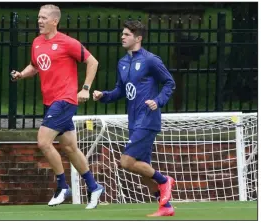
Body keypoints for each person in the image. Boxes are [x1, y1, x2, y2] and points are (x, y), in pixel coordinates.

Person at [11, 4, 104, 209]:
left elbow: (93, 62)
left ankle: (62, 186)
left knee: (43, 142)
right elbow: (35, 66)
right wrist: (21, 74)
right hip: (49, 101)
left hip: (65, 100)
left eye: (44, 18)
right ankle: (94, 186)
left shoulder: (67, 42)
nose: (40, 21)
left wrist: (85, 88)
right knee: (70, 148)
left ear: (55, 21)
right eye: (38, 18)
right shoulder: (36, 42)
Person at [93, 20, 176, 216]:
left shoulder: (151, 60)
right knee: (141, 170)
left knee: (127, 162)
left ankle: (165, 181)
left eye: (127, 34)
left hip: (147, 119)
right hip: (134, 121)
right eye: (122, 34)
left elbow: (169, 83)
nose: (122, 37)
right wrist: (103, 95)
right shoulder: (122, 62)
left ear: (138, 38)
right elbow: (120, 91)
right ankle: (166, 207)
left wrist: (158, 100)